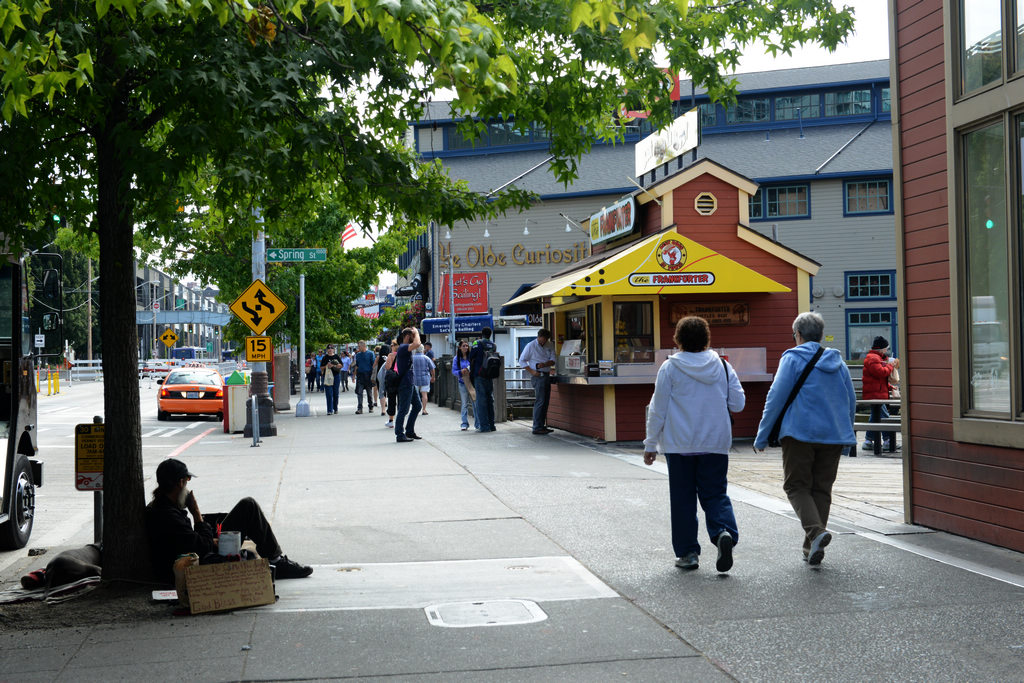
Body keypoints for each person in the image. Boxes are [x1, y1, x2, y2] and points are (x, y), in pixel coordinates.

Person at [642, 317, 745, 572]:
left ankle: (688, 553)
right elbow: (738, 404)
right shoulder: (722, 366)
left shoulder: (670, 368)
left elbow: (658, 409)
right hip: (715, 442)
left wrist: (650, 443)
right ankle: (723, 532)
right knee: (715, 494)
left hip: (680, 444)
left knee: (683, 499)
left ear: (678, 340)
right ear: (706, 338)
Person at [753, 312, 856, 567]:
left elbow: (775, 397)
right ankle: (812, 547)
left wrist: (762, 435)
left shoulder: (792, 358)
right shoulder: (838, 362)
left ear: (797, 335)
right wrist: (846, 431)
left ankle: (816, 532)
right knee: (821, 489)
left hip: (799, 434)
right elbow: (850, 399)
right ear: (820, 335)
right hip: (832, 435)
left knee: (796, 486)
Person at [144, 458, 312, 584]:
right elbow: (201, 546)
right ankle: (276, 562)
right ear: (181, 482)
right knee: (249, 516)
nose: (187, 487)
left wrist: (208, 531)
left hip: (202, 550)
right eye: (187, 482)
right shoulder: (168, 515)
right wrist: (196, 514)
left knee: (246, 508)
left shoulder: (164, 506)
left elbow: (195, 539)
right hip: (200, 563)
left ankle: (275, 559)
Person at [862, 336, 899, 452]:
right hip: (875, 395)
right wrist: (890, 365)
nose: (886, 350)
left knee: (875, 417)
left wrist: (890, 387)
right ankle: (888, 441)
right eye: (886, 348)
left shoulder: (874, 358)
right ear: (881, 348)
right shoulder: (873, 358)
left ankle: (868, 441)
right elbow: (881, 373)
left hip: (875, 393)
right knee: (885, 417)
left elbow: (877, 380)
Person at [519, 328, 557, 435]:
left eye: (545, 340)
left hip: (546, 373)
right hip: (537, 375)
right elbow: (522, 360)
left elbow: (553, 359)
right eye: (542, 339)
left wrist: (545, 364)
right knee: (540, 401)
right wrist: (532, 371)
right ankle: (536, 426)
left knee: (545, 401)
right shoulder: (530, 346)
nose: (544, 342)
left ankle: (541, 425)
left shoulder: (550, 345)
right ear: (538, 337)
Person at [393, 327, 423, 442]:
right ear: (407, 336)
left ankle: (409, 431)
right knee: (403, 410)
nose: (414, 337)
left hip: (409, 382)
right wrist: (416, 332)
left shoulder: (405, 348)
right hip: (405, 383)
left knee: (417, 406)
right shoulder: (403, 347)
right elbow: (418, 343)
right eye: (411, 335)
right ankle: (399, 434)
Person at [469, 327, 497, 432]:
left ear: (482, 334)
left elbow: (471, 357)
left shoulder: (477, 343)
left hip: (479, 374)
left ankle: (484, 426)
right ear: (490, 334)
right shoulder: (493, 345)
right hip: (489, 375)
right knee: (490, 400)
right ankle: (492, 425)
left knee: (481, 401)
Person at [452, 340, 473, 431]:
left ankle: (478, 423)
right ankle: (464, 423)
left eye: (467, 346)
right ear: (460, 347)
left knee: (474, 403)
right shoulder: (456, 359)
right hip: (462, 382)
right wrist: (461, 372)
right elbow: (454, 371)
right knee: (464, 404)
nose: (465, 348)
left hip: (472, 382)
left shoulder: (471, 357)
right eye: (464, 346)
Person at [353, 340, 376, 414]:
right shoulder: (358, 355)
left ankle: (371, 406)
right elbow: (357, 365)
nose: (358, 348)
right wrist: (354, 375)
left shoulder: (370, 354)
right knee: (359, 392)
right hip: (360, 375)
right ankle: (360, 408)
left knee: (369, 392)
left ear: (364, 346)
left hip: (368, 375)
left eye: (359, 346)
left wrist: (373, 376)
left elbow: (374, 364)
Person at [320, 344, 343, 414]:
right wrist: (327, 366)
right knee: (329, 393)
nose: (330, 350)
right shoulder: (325, 357)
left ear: (333, 349)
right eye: (329, 348)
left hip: (336, 376)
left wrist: (334, 365)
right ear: (327, 350)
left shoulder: (336, 356)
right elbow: (321, 367)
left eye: (331, 348)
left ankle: (335, 408)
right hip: (327, 377)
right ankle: (329, 410)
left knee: (335, 393)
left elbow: (341, 365)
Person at [413, 347, 436, 415]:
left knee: (415, 395)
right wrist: (433, 377)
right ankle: (424, 409)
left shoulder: (412, 358)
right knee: (424, 394)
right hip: (425, 378)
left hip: (414, 378)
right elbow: (432, 368)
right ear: (422, 350)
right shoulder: (426, 358)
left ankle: (415, 409)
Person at [382, 340, 399, 428]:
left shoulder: (391, 355)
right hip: (401, 379)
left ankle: (391, 420)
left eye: (392, 345)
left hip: (392, 381)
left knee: (392, 400)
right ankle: (400, 420)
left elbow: (388, 367)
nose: (391, 346)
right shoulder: (402, 355)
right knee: (401, 400)